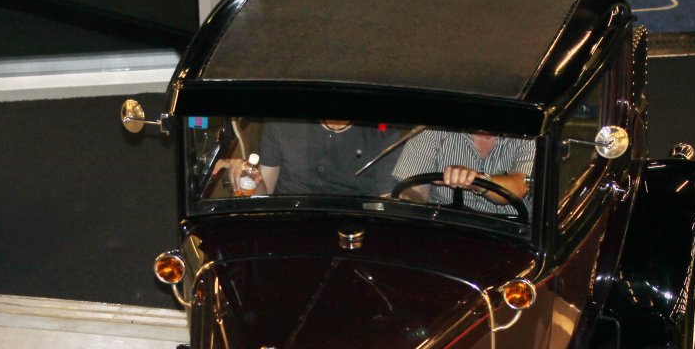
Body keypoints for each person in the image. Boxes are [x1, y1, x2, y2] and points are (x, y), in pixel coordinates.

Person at [214, 119, 403, 196]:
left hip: (352, 228)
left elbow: (386, 200)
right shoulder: (283, 121)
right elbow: (265, 190)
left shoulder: (384, 134)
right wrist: (248, 173)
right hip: (290, 222)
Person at [389, 129, 536, 217]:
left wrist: (476, 180)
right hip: (446, 225)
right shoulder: (432, 130)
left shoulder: (527, 136)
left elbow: (519, 187)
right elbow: (414, 189)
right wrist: (409, 200)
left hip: (508, 230)